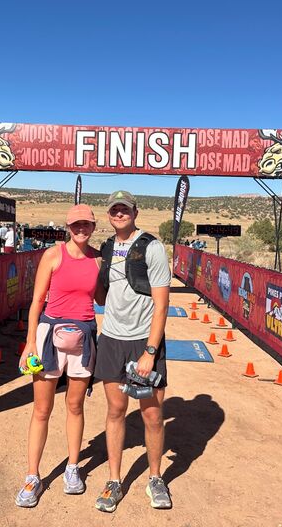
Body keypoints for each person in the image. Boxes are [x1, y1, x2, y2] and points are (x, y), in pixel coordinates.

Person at [15, 204, 102, 508]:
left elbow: (102, 297)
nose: (82, 229)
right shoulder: (53, 255)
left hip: (84, 338)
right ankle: (32, 476)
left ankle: (73, 468)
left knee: (75, 406)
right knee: (41, 409)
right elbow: (37, 301)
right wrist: (30, 343)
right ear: (68, 226)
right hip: (49, 337)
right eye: (76, 224)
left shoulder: (97, 260)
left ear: (93, 227)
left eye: (87, 225)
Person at [93, 190, 173, 512]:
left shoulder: (151, 246)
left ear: (135, 212)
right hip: (112, 338)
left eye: (124, 208)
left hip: (143, 341)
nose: (119, 213)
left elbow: (162, 303)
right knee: (115, 410)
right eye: (114, 209)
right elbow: (101, 298)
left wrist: (150, 351)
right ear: (109, 216)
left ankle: (155, 478)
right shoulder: (107, 248)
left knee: (151, 414)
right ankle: (114, 480)